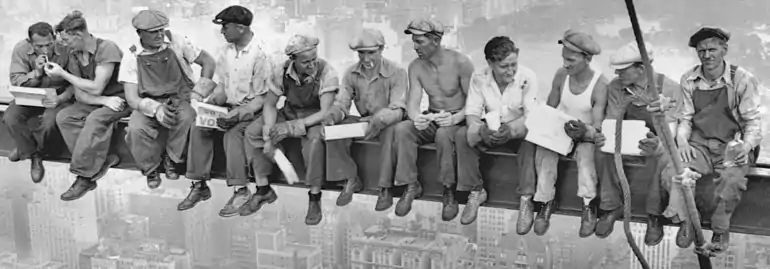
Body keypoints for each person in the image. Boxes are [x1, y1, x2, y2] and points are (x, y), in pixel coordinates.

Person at [179, 6, 274, 217]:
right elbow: (222, 85)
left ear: (240, 28)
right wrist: (210, 103)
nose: (222, 31)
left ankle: (240, 189)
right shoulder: (227, 52)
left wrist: (238, 114)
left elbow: (262, 98)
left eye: (226, 27)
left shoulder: (261, 54)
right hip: (229, 107)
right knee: (199, 126)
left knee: (233, 134)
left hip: (252, 111)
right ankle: (199, 184)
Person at [596, 41, 693, 248]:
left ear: (641, 69)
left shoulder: (669, 88)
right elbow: (613, 120)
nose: (618, 75)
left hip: (658, 141)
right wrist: (607, 138)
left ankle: (654, 215)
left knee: (660, 158)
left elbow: (671, 133)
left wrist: (656, 143)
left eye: (623, 71)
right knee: (603, 152)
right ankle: (611, 206)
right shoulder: (616, 87)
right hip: (627, 140)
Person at [674, 27, 762, 252]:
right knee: (679, 170)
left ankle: (720, 229)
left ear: (724, 50)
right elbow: (685, 118)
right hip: (700, 144)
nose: (707, 55)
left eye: (712, 49)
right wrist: (682, 141)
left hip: (732, 146)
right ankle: (687, 222)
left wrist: (747, 146)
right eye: (701, 51)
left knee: (731, 181)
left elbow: (753, 122)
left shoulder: (742, 79)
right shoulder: (689, 79)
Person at [517, 29, 608, 236]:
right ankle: (546, 201)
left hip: (584, 135)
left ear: (587, 59)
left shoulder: (600, 85)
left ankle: (588, 204)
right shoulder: (561, 75)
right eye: (564, 59)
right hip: (562, 130)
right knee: (544, 153)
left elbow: (598, 126)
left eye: (571, 60)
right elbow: (550, 108)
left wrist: (585, 131)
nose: (566, 64)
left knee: (586, 158)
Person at [243, 34, 340, 225]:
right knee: (253, 132)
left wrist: (290, 128)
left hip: (313, 118)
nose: (311, 65)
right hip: (289, 111)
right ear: (293, 60)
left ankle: (314, 196)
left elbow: (324, 111)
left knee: (314, 142)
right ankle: (263, 188)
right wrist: (269, 133)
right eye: (305, 62)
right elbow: (270, 104)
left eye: (314, 59)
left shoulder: (328, 73)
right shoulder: (281, 71)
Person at [387, 18, 474, 217]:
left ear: (435, 41)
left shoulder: (461, 63)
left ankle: (448, 190)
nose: (415, 46)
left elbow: (475, 102)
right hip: (434, 115)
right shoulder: (416, 67)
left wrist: (455, 118)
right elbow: (413, 102)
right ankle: (410, 184)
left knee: (444, 135)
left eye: (420, 42)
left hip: (458, 119)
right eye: (414, 41)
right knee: (402, 130)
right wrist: (417, 117)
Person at [120, 9, 216, 189]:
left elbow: (209, 62)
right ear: (140, 33)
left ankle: (173, 160)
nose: (159, 35)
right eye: (153, 32)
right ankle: (150, 169)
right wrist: (155, 109)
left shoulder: (177, 41)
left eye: (161, 30)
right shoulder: (131, 55)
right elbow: (132, 98)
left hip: (180, 97)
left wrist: (198, 93)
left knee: (187, 118)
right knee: (135, 128)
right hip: (149, 101)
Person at [47, 11, 130, 201]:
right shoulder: (74, 54)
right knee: (65, 117)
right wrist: (102, 101)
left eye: (67, 39)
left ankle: (84, 177)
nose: (65, 44)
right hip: (101, 101)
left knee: (95, 119)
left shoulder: (107, 49)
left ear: (78, 35)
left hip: (121, 99)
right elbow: (80, 92)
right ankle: (102, 160)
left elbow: (96, 86)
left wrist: (63, 74)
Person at [456, 36, 538, 225]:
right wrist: (481, 130)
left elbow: (530, 115)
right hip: (491, 127)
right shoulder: (479, 78)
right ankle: (476, 191)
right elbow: (472, 111)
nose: (510, 71)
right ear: (490, 63)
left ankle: (526, 199)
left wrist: (510, 130)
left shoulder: (528, 77)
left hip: (518, 129)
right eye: (504, 67)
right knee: (462, 136)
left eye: (513, 65)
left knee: (531, 141)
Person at [323, 28, 408, 208]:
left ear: (382, 49)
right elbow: (342, 103)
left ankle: (385, 188)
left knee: (391, 134)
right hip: (364, 121)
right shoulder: (351, 73)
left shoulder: (397, 72)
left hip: (388, 121)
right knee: (335, 131)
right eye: (362, 54)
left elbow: (398, 108)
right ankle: (350, 178)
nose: (366, 59)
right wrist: (332, 116)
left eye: (371, 53)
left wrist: (379, 119)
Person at [3, 22, 73, 183]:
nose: (45, 50)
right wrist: (37, 73)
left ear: (54, 38)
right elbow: (16, 80)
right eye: (39, 46)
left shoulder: (65, 48)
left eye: (49, 44)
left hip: (57, 95)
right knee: (11, 117)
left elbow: (75, 81)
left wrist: (60, 98)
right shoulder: (21, 49)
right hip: (30, 95)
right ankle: (32, 153)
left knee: (49, 122)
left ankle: (27, 149)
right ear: (30, 43)